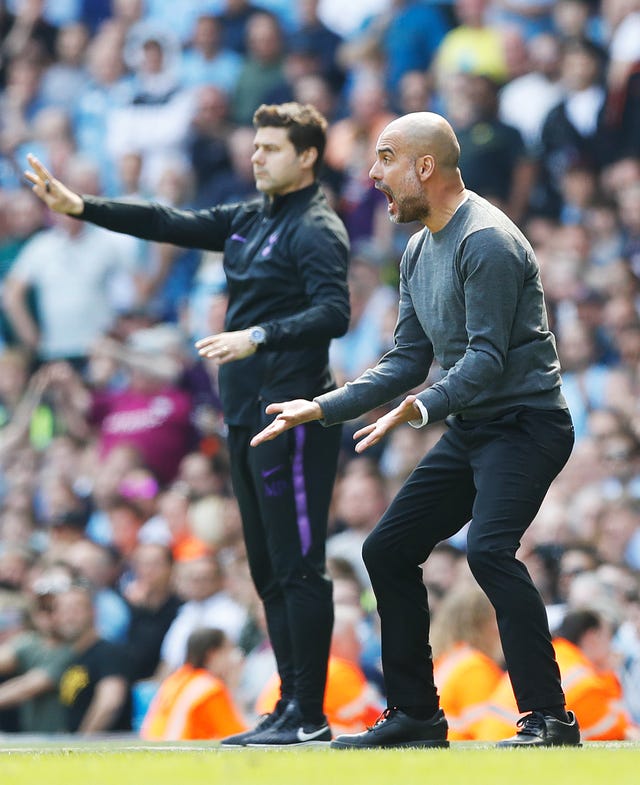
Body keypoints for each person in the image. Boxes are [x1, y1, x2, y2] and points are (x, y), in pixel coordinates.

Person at [250, 110, 581, 749]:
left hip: (527, 425)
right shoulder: (418, 247)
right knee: (387, 549)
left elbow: (485, 358)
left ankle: (550, 719)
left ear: (424, 167)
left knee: (487, 551)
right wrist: (322, 406)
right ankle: (416, 716)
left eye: (384, 158)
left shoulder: (484, 239)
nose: (372, 173)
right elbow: (405, 358)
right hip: (475, 425)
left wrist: (421, 407)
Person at [25, 101, 350, 747]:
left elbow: (334, 312)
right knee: (265, 566)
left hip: (292, 412)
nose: (256, 157)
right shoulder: (252, 216)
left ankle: (308, 713)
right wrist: (83, 206)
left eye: (271, 149)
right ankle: (289, 706)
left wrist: (257, 335)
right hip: (244, 411)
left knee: (298, 564)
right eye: (255, 146)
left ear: (307, 156)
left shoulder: (316, 227)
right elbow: (167, 220)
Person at [140, 626, 246, 741]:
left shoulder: (174, 681)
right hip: (184, 751)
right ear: (213, 654)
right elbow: (237, 735)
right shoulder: (210, 690)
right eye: (228, 651)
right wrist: (233, 685)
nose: (232, 659)